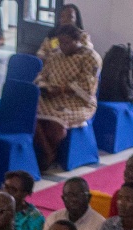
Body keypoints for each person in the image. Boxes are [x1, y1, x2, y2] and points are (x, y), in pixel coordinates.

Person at [32, 25, 98, 171]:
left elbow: (87, 87)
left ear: (77, 41)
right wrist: (45, 87)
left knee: (55, 124)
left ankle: (48, 154)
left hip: (78, 101)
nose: (63, 46)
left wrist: (61, 89)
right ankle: (48, 151)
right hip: (52, 96)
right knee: (29, 112)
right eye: (60, 42)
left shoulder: (89, 57)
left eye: (67, 43)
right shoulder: (55, 55)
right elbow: (42, 75)